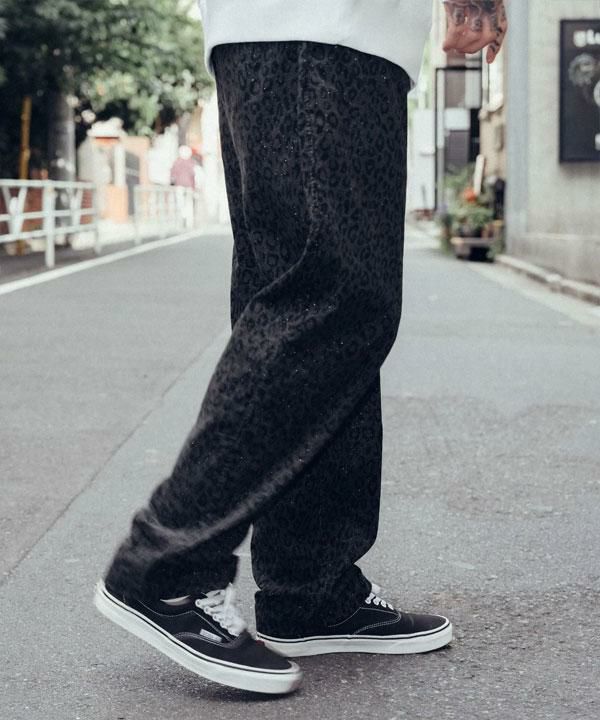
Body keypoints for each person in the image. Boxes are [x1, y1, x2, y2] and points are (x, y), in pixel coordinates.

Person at [94, 0, 507, 696]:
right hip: (324, 34)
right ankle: (168, 565)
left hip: (304, 37)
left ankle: (309, 585)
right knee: (331, 300)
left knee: (311, 300)